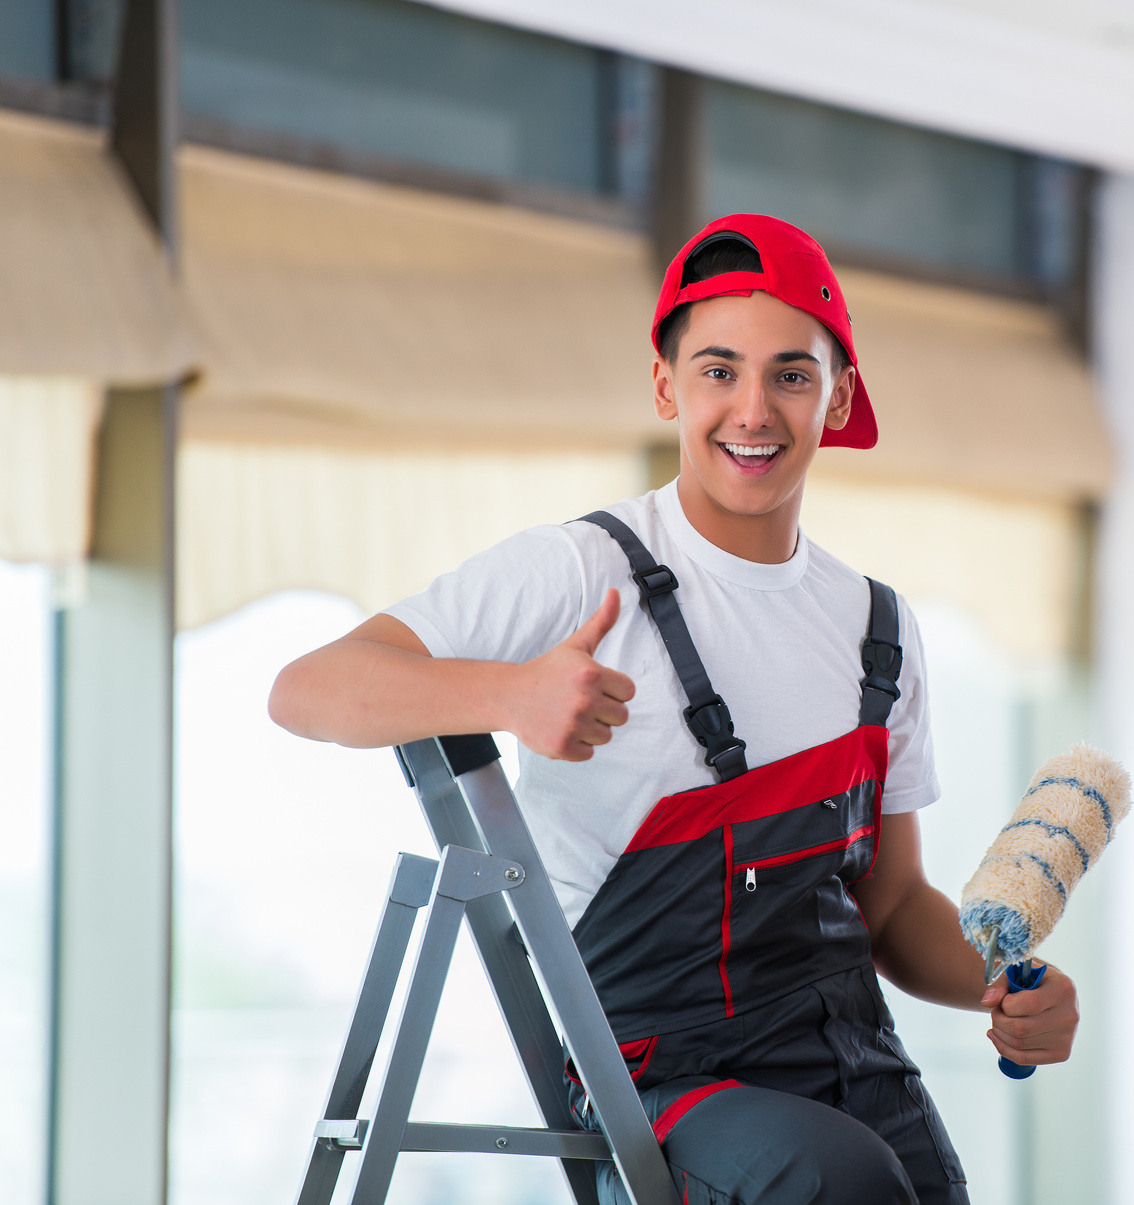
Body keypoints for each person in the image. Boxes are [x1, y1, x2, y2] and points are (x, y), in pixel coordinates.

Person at [269, 214, 1080, 1204]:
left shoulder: (877, 625)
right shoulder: (581, 569)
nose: (753, 408)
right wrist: (507, 692)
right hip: (658, 1079)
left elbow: (895, 908)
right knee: (842, 1184)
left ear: (839, 393)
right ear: (666, 386)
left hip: (850, 1062)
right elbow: (305, 687)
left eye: (791, 373)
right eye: (717, 370)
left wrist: (1002, 978)